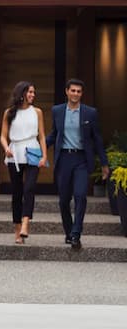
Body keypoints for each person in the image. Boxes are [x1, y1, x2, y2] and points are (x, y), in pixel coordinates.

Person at [46, 79, 110, 250]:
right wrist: (39, 148)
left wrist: (104, 163)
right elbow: (53, 134)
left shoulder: (90, 113)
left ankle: (76, 233)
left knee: (81, 195)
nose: (75, 94)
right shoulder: (57, 111)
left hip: (82, 159)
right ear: (67, 91)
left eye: (79, 91)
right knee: (63, 201)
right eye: (73, 90)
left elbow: (97, 139)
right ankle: (69, 232)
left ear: (82, 94)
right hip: (64, 159)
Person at [0, 81, 47, 244]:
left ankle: (26, 222)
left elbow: (41, 135)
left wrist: (44, 156)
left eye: (34, 92)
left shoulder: (38, 112)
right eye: (30, 92)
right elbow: (3, 135)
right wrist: (6, 148)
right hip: (15, 153)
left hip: (32, 151)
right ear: (21, 93)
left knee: (30, 188)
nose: (33, 95)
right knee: (17, 192)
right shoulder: (9, 113)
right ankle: (17, 228)